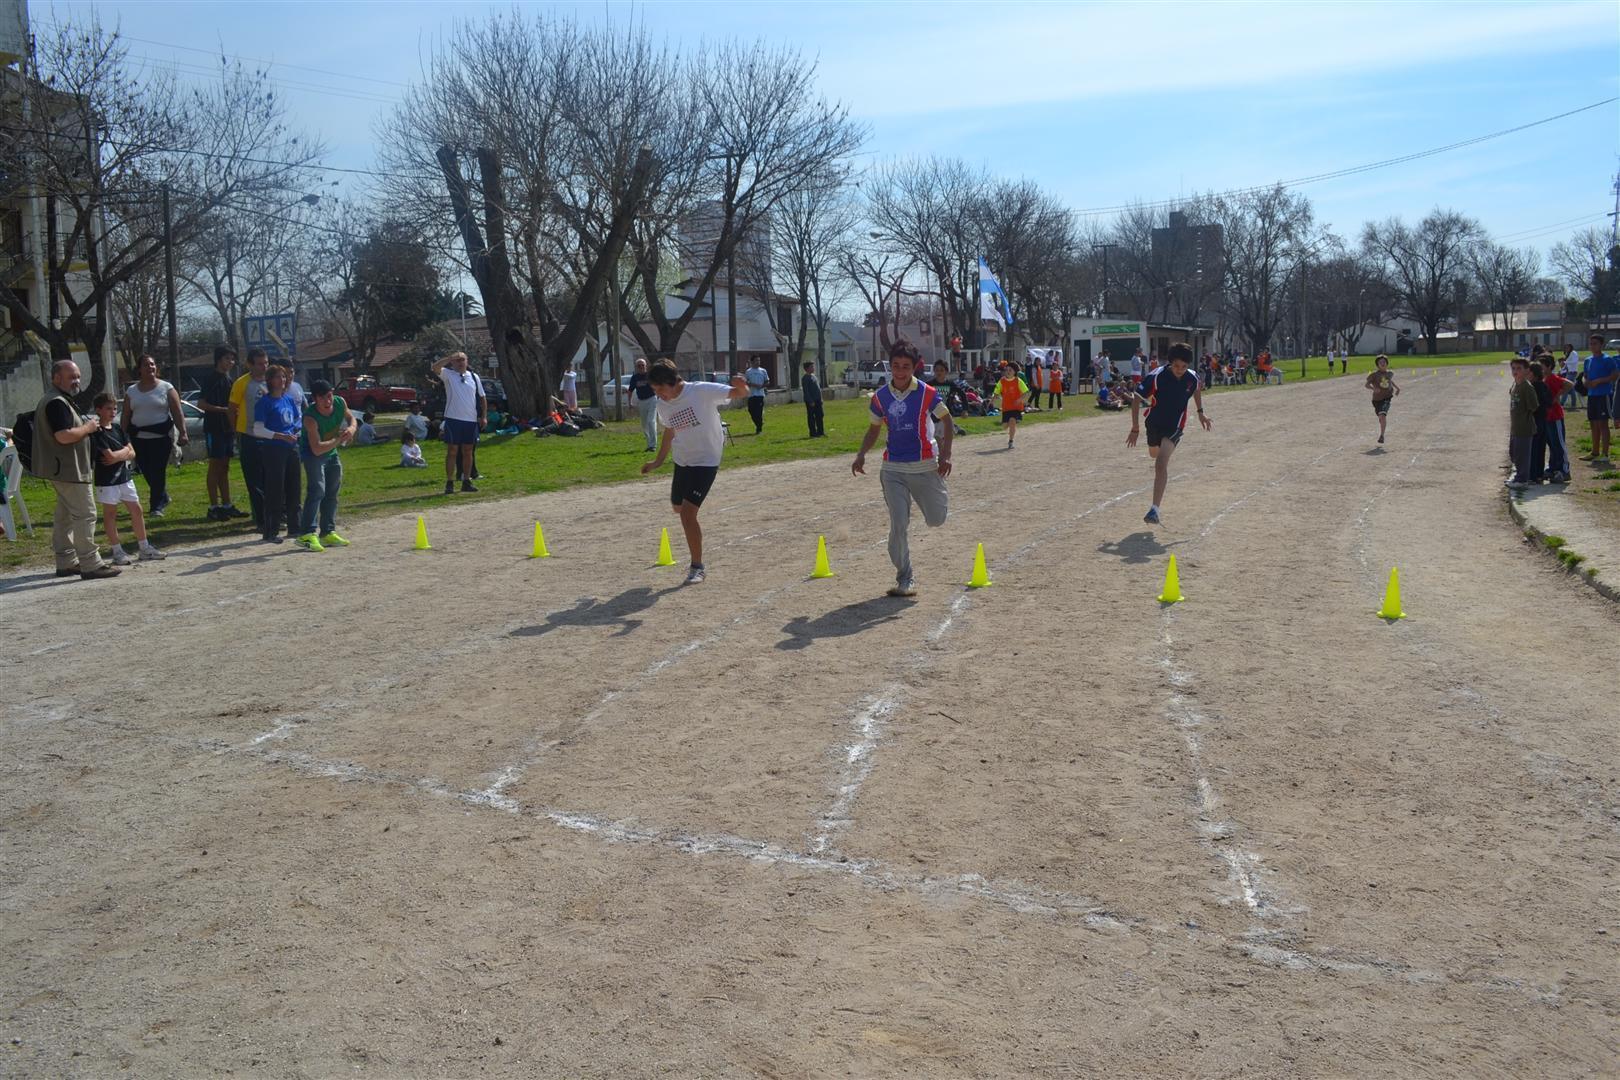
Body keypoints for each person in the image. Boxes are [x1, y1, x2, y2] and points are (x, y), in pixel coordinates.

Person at [852, 339, 952, 597]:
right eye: (895, 366)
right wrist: (861, 454)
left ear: (915, 367)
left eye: (905, 366)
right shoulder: (880, 397)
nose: (900, 371)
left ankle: (934, 495)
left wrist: (946, 456)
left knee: (936, 519)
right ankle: (904, 577)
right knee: (899, 522)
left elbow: (947, 420)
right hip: (893, 468)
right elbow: (874, 429)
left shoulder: (927, 393)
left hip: (925, 466)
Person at [640, 360, 749, 584]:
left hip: (706, 460)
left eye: (660, 389)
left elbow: (738, 393)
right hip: (682, 460)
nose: (659, 395)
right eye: (655, 391)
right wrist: (658, 461)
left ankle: (697, 566)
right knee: (677, 507)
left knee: (687, 515)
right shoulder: (663, 405)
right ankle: (694, 543)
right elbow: (670, 432)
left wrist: (742, 385)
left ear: (672, 382)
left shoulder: (700, 391)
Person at [33, 360, 119, 578]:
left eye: (78, 376)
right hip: (69, 469)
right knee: (85, 514)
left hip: (64, 469)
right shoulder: (56, 402)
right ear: (56, 378)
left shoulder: (59, 400)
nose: (77, 381)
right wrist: (88, 427)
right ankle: (91, 563)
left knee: (65, 516)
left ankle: (66, 562)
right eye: (71, 377)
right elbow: (63, 436)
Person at [1127, 342, 1212, 526]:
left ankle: (1154, 510)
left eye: (1184, 366)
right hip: (1154, 423)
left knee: (1160, 463)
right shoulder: (1156, 376)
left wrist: (1201, 412)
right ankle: (1156, 452)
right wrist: (1135, 428)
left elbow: (1196, 388)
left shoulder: (1191, 377)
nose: (1180, 370)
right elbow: (1136, 399)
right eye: (1176, 366)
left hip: (1175, 426)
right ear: (1170, 362)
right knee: (1153, 453)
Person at [90, 392, 164, 564]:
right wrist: (123, 453)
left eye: (115, 408)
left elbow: (132, 452)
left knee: (136, 509)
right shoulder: (96, 432)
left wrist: (121, 454)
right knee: (110, 514)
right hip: (107, 480)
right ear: (99, 410)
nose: (112, 411)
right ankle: (117, 551)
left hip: (124, 477)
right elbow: (108, 457)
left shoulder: (117, 429)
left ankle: (144, 547)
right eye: (108, 408)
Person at [119, 354, 188, 518]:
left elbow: (177, 412)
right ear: (139, 369)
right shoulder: (132, 391)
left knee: (157, 471)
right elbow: (126, 416)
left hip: (161, 437)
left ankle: (156, 506)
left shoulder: (166, 388)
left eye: (152, 364)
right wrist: (121, 436)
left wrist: (183, 432)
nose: (150, 368)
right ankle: (162, 495)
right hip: (138, 438)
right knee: (146, 470)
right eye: (146, 365)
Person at [295, 379, 356, 552]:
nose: (328, 401)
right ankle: (307, 533)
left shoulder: (340, 402)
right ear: (315, 399)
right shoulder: (310, 417)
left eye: (330, 396)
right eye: (323, 398)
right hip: (314, 455)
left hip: (331, 452)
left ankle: (327, 532)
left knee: (332, 491)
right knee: (317, 490)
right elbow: (316, 449)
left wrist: (351, 429)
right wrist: (338, 440)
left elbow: (351, 418)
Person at [252, 364, 303, 543]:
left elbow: (297, 420)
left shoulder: (288, 399)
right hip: (273, 449)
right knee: (275, 490)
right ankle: (271, 531)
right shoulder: (264, 402)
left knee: (294, 487)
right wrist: (279, 436)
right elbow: (258, 429)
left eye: (283, 377)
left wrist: (296, 433)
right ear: (270, 380)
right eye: (277, 377)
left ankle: (295, 527)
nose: (281, 380)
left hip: (291, 448)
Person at [198, 345, 247, 522]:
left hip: (227, 428)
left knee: (225, 466)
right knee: (214, 465)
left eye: (232, 359)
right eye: (227, 359)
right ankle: (213, 506)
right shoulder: (210, 378)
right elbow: (201, 404)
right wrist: (222, 410)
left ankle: (227, 504)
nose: (230, 362)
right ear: (219, 359)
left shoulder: (230, 380)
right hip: (214, 427)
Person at [431, 351, 486, 494]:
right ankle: (449, 482)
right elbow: (435, 368)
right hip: (453, 419)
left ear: (467, 361)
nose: (460, 362)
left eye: (463, 360)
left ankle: (466, 481)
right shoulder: (448, 374)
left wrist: (484, 416)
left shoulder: (474, 377)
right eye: (458, 360)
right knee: (452, 451)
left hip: (470, 420)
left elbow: (482, 397)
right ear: (453, 363)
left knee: (468, 452)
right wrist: (449, 358)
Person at [227, 348, 271, 531]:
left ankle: (275, 515)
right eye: (260, 364)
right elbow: (232, 409)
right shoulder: (242, 383)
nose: (264, 367)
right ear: (250, 365)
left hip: (271, 437)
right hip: (249, 436)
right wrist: (235, 430)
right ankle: (261, 520)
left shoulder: (272, 381)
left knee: (271, 479)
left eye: (266, 363)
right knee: (254, 482)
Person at [1581, 333, 1616, 463]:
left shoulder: (1607, 359)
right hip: (1592, 395)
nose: (1592, 346)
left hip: (1603, 394)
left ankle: (1605, 454)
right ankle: (1594, 452)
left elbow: (1615, 375)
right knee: (1593, 423)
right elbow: (1585, 375)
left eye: (1595, 343)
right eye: (1591, 343)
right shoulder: (1588, 360)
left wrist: (1600, 380)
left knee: (1603, 423)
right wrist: (1585, 382)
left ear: (1601, 345)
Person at [1506, 356, 1539, 490]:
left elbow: (1534, 406)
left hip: (1524, 428)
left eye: (1519, 368)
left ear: (1526, 370)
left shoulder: (1527, 387)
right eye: (1513, 368)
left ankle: (1522, 479)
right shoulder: (1515, 384)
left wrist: (1525, 416)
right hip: (1515, 427)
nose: (1515, 371)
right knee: (1514, 453)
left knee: (1522, 455)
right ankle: (1518, 475)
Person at [1543, 360, 1572, 483]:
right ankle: (1554, 468)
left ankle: (1565, 471)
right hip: (1547, 417)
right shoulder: (1544, 379)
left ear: (1549, 366)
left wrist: (1558, 395)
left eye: (1542, 366)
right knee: (1552, 444)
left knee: (1559, 444)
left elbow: (1570, 384)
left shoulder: (1553, 378)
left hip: (1555, 416)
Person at [1364, 354, 1400, 444]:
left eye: (1384, 362)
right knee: (1380, 416)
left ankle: (1382, 435)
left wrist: (1397, 388)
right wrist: (1373, 389)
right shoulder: (1374, 375)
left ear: (1387, 363)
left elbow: (1389, 380)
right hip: (1376, 400)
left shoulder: (1389, 373)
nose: (1383, 364)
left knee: (1383, 415)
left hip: (1387, 397)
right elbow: (1366, 385)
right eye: (1380, 362)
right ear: (1377, 365)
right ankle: (1381, 418)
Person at [996, 361, 1031, 450]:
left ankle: (1011, 441)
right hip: (1006, 407)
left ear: (1014, 372)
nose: (1008, 371)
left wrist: (1019, 400)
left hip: (1016, 407)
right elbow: (996, 391)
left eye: (1010, 370)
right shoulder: (1002, 381)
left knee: (1012, 421)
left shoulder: (1018, 381)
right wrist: (993, 398)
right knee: (1004, 426)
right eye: (1006, 370)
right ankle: (1010, 424)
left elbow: (1026, 392)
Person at [628, 358, 658, 451]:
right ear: (636, 367)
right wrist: (629, 403)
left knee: (650, 421)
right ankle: (649, 444)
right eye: (639, 366)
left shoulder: (650, 376)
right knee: (644, 424)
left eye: (643, 365)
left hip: (652, 399)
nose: (641, 367)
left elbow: (658, 387)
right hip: (641, 401)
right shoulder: (635, 378)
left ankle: (653, 445)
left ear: (646, 366)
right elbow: (630, 391)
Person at [801, 360, 825, 438]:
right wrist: (810, 401)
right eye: (811, 367)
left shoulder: (814, 376)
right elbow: (806, 391)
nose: (813, 368)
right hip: (811, 401)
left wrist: (821, 398)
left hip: (818, 400)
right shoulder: (805, 378)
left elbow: (818, 388)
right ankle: (813, 433)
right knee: (811, 417)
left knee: (820, 415)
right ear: (807, 368)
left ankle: (820, 432)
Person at [744, 359, 769, 434]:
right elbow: (746, 382)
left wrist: (762, 386)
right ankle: (759, 423)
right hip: (751, 395)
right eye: (756, 361)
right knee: (751, 410)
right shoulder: (748, 371)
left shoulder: (763, 371)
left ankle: (759, 429)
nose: (758, 362)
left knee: (759, 412)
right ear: (752, 362)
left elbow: (767, 381)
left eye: (759, 360)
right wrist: (752, 384)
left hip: (760, 395)